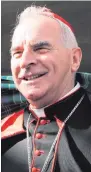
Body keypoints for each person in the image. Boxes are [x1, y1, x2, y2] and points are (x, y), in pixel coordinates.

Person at [1, 5, 91, 172]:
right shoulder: (4, 130)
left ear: (74, 59)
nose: (24, 62)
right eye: (17, 53)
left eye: (41, 48)